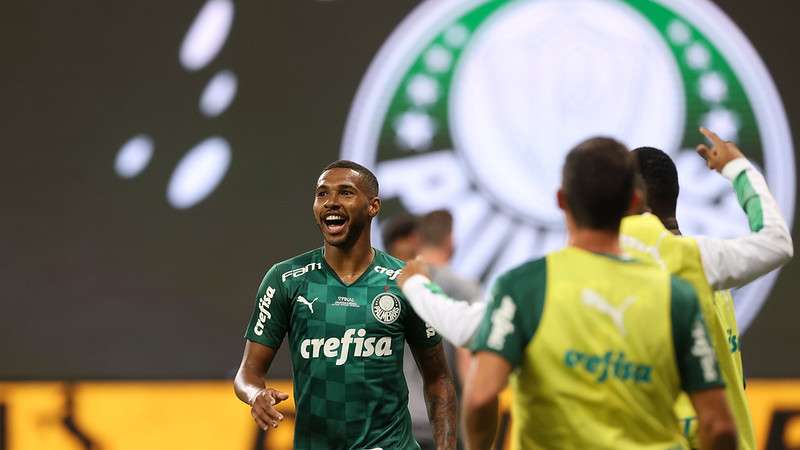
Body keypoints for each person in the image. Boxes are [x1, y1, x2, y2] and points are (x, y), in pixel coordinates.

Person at [462, 137, 736, 449]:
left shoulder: (522, 287)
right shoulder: (677, 296)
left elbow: (481, 397)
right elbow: (719, 424)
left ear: (561, 200)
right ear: (634, 203)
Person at [234, 160, 457, 450]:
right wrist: (255, 394)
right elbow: (248, 373)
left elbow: (439, 379)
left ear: (373, 206)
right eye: (322, 194)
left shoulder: (407, 283)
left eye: (346, 193)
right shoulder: (285, 279)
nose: (331, 202)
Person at [620, 128, 794, 450]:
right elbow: (776, 242)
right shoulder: (706, 260)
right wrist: (739, 170)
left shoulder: (628, 262)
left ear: (631, 201)